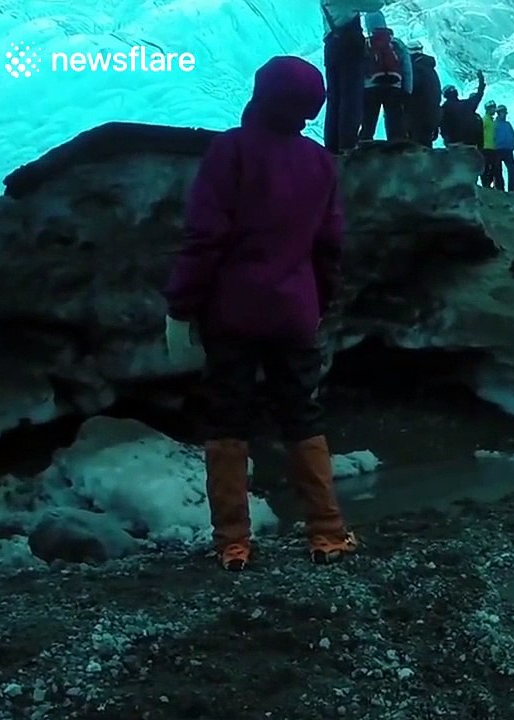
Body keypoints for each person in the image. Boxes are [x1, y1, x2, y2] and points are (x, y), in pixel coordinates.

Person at [163, 56, 357, 572]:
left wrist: (181, 305)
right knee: (301, 413)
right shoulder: (319, 162)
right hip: (294, 312)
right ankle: (327, 532)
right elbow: (329, 246)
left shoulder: (230, 150)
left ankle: (233, 542)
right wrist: (321, 302)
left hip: (232, 313)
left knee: (228, 416)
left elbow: (204, 237)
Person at [321, 0, 379, 152]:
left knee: (334, 99)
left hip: (332, 47)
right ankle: (348, 145)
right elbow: (375, 4)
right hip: (349, 47)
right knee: (351, 97)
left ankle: (332, 146)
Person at [359, 11, 413, 141]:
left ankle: (365, 145)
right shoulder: (396, 43)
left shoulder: (366, 43)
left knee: (368, 120)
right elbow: (407, 68)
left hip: (370, 87)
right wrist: (407, 90)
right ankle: (397, 147)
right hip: (394, 86)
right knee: (395, 120)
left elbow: (359, 67)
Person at [405, 40, 441, 146]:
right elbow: (436, 96)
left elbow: (409, 93)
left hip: (415, 118)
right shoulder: (431, 70)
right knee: (426, 149)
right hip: (430, 117)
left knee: (413, 150)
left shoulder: (413, 69)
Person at [439, 72, 486, 147]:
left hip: (454, 145)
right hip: (470, 145)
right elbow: (479, 94)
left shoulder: (444, 108)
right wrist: (481, 79)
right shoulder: (467, 104)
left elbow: (441, 126)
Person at [493, 105, 514, 191]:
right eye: (502, 113)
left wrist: (513, 144)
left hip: (508, 150)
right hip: (498, 150)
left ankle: (512, 189)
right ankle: (500, 189)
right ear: (499, 113)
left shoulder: (507, 124)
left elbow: (513, 136)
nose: (504, 115)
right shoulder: (494, 124)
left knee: (512, 170)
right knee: (498, 171)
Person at [480, 100, 500, 188]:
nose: (494, 110)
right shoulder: (485, 120)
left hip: (492, 147)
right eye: (493, 108)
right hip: (486, 147)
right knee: (487, 167)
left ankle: (487, 184)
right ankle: (486, 185)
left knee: (492, 168)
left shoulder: (491, 121)